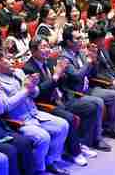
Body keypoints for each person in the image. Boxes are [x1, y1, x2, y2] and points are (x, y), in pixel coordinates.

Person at [0, 50, 71, 175]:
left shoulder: (18, 72)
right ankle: (38, 171)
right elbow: (5, 107)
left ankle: (50, 161)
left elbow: (36, 94)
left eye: (12, 58)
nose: (12, 61)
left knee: (63, 125)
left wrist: (33, 86)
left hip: (35, 113)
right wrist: (25, 90)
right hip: (19, 120)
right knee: (43, 137)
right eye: (8, 59)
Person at [23, 37, 102, 166]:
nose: (47, 50)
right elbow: (38, 93)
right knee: (69, 118)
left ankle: (80, 143)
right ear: (33, 51)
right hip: (45, 104)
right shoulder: (29, 68)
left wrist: (63, 74)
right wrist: (55, 76)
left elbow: (62, 81)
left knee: (91, 107)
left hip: (62, 98)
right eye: (43, 47)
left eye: (48, 46)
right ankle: (74, 153)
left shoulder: (50, 61)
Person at [58, 26, 115, 152]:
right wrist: (89, 61)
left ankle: (112, 129)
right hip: (74, 95)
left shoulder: (80, 53)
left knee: (113, 95)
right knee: (97, 102)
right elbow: (77, 76)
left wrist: (94, 60)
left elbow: (91, 74)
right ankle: (96, 139)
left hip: (87, 88)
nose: (81, 41)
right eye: (78, 38)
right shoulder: (64, 58)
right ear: (69, 42)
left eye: (81, 38)